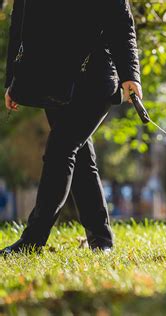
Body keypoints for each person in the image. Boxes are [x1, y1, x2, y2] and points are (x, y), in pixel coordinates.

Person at [1, 0, 142, 255]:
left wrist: (129, 74)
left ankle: (32, 241)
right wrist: (13, 79)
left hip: (96, 79)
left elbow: (121, 22)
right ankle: (101, 240)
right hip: (51, 80)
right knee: (80, 160)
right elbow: (19, 25)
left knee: (60, 150)